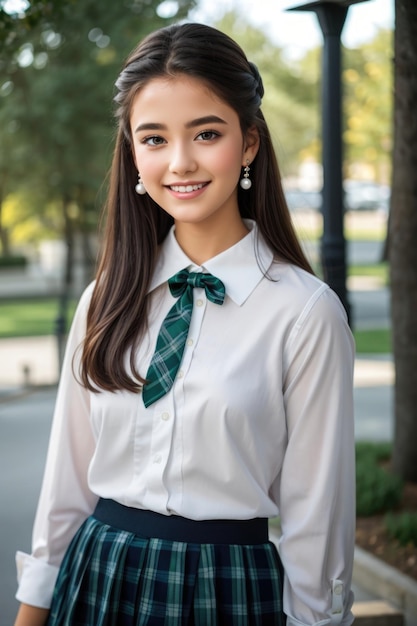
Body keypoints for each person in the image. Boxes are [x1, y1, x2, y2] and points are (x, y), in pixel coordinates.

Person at [14, 22, 355, 626]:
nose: (180, 162)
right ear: (132, 151)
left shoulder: (305, 313)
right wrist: (32, 610)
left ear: (249, 144)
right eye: (153, 139)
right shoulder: (106, 298)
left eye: (206, 133)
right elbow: (65, 486)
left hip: (226, 592)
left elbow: (317, 520)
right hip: (96, 579)